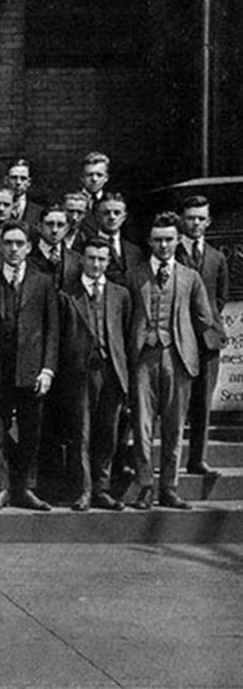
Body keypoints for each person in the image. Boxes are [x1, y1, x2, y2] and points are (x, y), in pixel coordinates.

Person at [127, 212, 218, 510]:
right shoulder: (134, 274)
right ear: (149, 242)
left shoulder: (190, 277)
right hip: (143, 358)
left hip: (178, 358)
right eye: (158, 240)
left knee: (174, 426)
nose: (163, 245)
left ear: (178, 240)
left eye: (168, 239)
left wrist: (212, 343)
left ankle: (169, 487)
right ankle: (144, 487)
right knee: (141, 427)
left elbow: (206, 317)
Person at [0, 221, 58, 512]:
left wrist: (47, 369)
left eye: (19, 243)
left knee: (31, 431)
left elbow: (52, 329)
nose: (13, 248)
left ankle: (26, 488)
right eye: (8, 242)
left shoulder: (43, 281)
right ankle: (2, 487)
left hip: (32, 371)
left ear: (29, 247)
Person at [57, 238, 130, 511]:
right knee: (82, 432)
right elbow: (59, 337)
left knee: (107, 433)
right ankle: (83, 490)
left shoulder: (120, 294)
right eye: (91, 258)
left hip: (111, 372)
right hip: (79, 373)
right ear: (81, 260)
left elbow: (125, 336)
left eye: (101, 259)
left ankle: (102, 488)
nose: (96, 264)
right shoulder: (67, 295)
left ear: (108, 261)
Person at [176, 195, 229, 477]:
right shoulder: (171, 252)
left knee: (202, 404)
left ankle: (197, 459)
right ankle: (167, 461)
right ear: (182, 219)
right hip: (177, 339)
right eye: (190, 217)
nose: (195, 223)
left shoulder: (217, 257)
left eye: (200, 218)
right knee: (174, 404)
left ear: (207, 222)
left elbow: (219, 299)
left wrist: (206, 327)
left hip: (207, 341)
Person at [26, 203, 82, 290]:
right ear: (39, 226)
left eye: (60, 225)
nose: (54, 230)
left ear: (67, 228)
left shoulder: (76, 260)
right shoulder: (27, 255)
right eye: (49, 224)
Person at [4, 159, 42, 225]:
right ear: (6, 180)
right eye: (14, 178)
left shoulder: (38, 211)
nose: (18, 182)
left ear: (29, 182)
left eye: (23, 178)